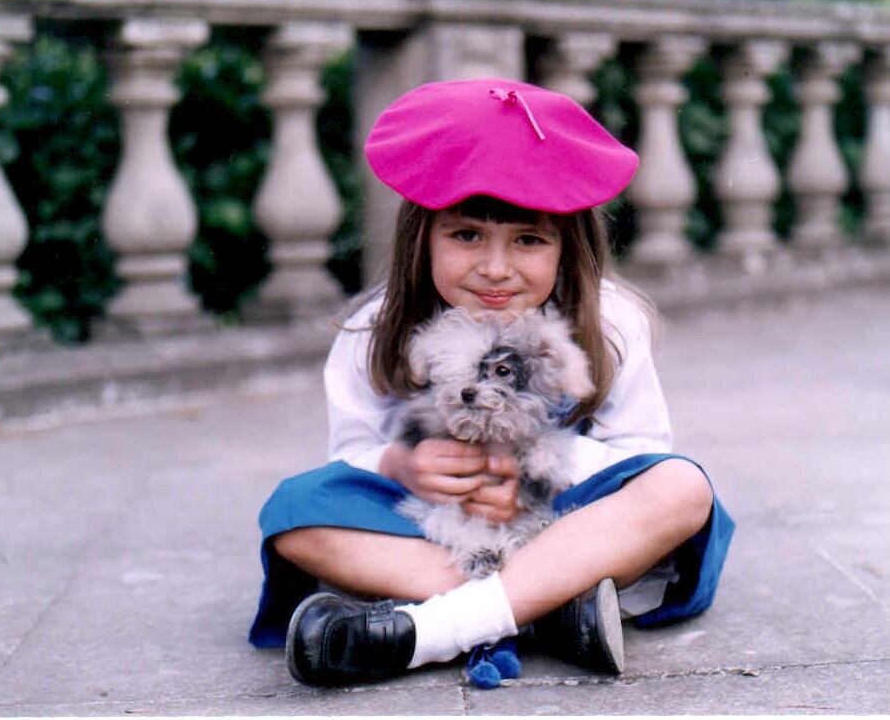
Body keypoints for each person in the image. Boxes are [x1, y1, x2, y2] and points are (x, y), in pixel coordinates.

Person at [247, 78, 735, 687]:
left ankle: (428, 629)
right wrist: (400, 465)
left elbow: (641, 451)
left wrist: (540, 472)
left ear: (567, 247)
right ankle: (548, 607)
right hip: (440, 530)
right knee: (294, 513)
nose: (496, 268)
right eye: (466, 235)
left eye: (528, 240)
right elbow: (350, 455)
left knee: (681, 489)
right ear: (423, 235)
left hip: (564, 523)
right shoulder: (374, 326)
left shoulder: (612, 320)